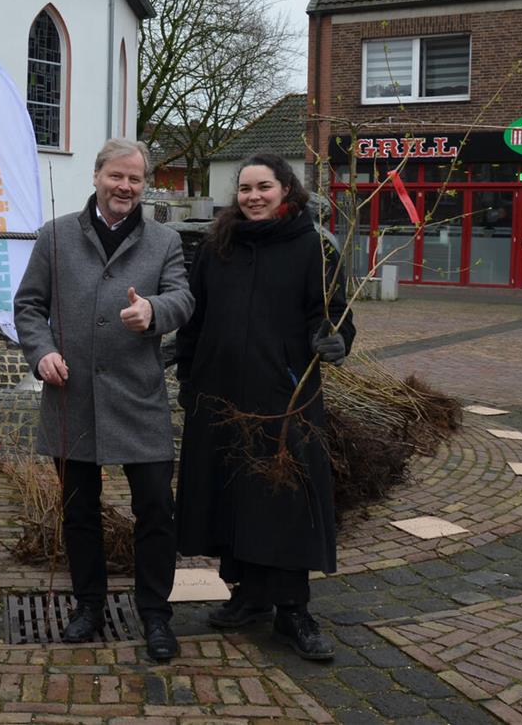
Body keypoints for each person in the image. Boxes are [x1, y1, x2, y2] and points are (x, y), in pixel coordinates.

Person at [14, 138, 194, 662]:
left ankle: (156, 615)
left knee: (157, 508)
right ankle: (89, 606)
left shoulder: (164, 241)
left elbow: (183, 297)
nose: (125, 187)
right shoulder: (55, 236)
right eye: (117, 176)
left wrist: (155, 312)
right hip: (72, 396)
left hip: (139, 398)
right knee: (79, 512)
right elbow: (28, 306)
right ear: (96, 176)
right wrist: (42, 351)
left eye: (135, 180)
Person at [175, 152, 354, 662]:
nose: (254, 196)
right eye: (246, 188)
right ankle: (248, 594)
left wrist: (336, 339)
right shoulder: (218, 246)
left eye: (264, 187)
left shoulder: (313, 248)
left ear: (286, 190)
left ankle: (293, 610)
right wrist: (188, 377)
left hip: (283, 399)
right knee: (232, 495)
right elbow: (195, 317)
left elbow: (335, 313)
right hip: (220, 395)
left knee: (283, 499)